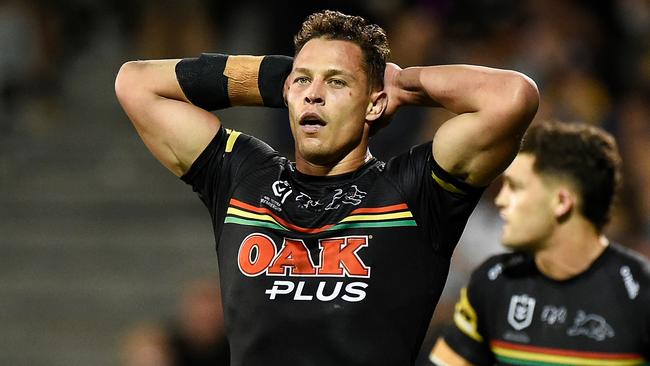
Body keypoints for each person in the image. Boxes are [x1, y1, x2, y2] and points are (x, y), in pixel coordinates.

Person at [114, 9, 539, 365]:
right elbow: (136, 83)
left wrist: (402, 85)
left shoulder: (414, 190)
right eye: (302, 81)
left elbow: (512, 96)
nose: (313, 95)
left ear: (374, 102)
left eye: (337, 82)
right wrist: (278, 78)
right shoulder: (243, 176)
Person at [429, 120, 650, 365]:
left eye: (515, 187)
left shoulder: (640, 294)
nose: (501, 200)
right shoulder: (494, 282)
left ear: (561, 202)